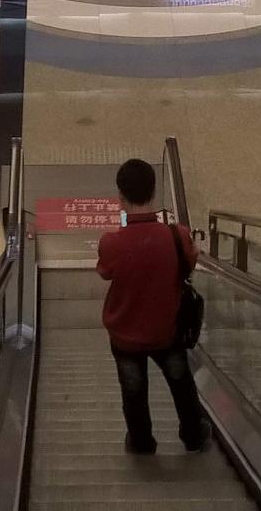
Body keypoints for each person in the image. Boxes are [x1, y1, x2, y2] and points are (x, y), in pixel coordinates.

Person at [97, 158, 211, 454]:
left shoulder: (111, 242)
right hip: (167, 331)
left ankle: (142, 442)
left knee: (133, 391)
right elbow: (190, 262)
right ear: (154, 191)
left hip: (125, 335)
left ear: (120, 196)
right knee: (180, 382)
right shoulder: (177, 236)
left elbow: (106, 271)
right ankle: (194, 435)